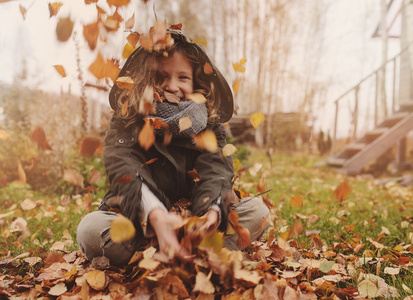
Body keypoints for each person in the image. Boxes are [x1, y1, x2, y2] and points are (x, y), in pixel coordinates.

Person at [77, 28, 270, 266]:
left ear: (197, 82)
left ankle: (196, 255)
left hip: (194, 225)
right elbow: (123, 166)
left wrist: (211, 214)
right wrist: (156, 217)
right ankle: (154, 254)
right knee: (90, 229)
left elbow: (216, 169)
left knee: (257, 212)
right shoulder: (128, 120)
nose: (172, 86)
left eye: (183, 77)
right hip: (142, 222)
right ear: (147, 80)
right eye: (162, 77)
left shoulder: (210, 126)